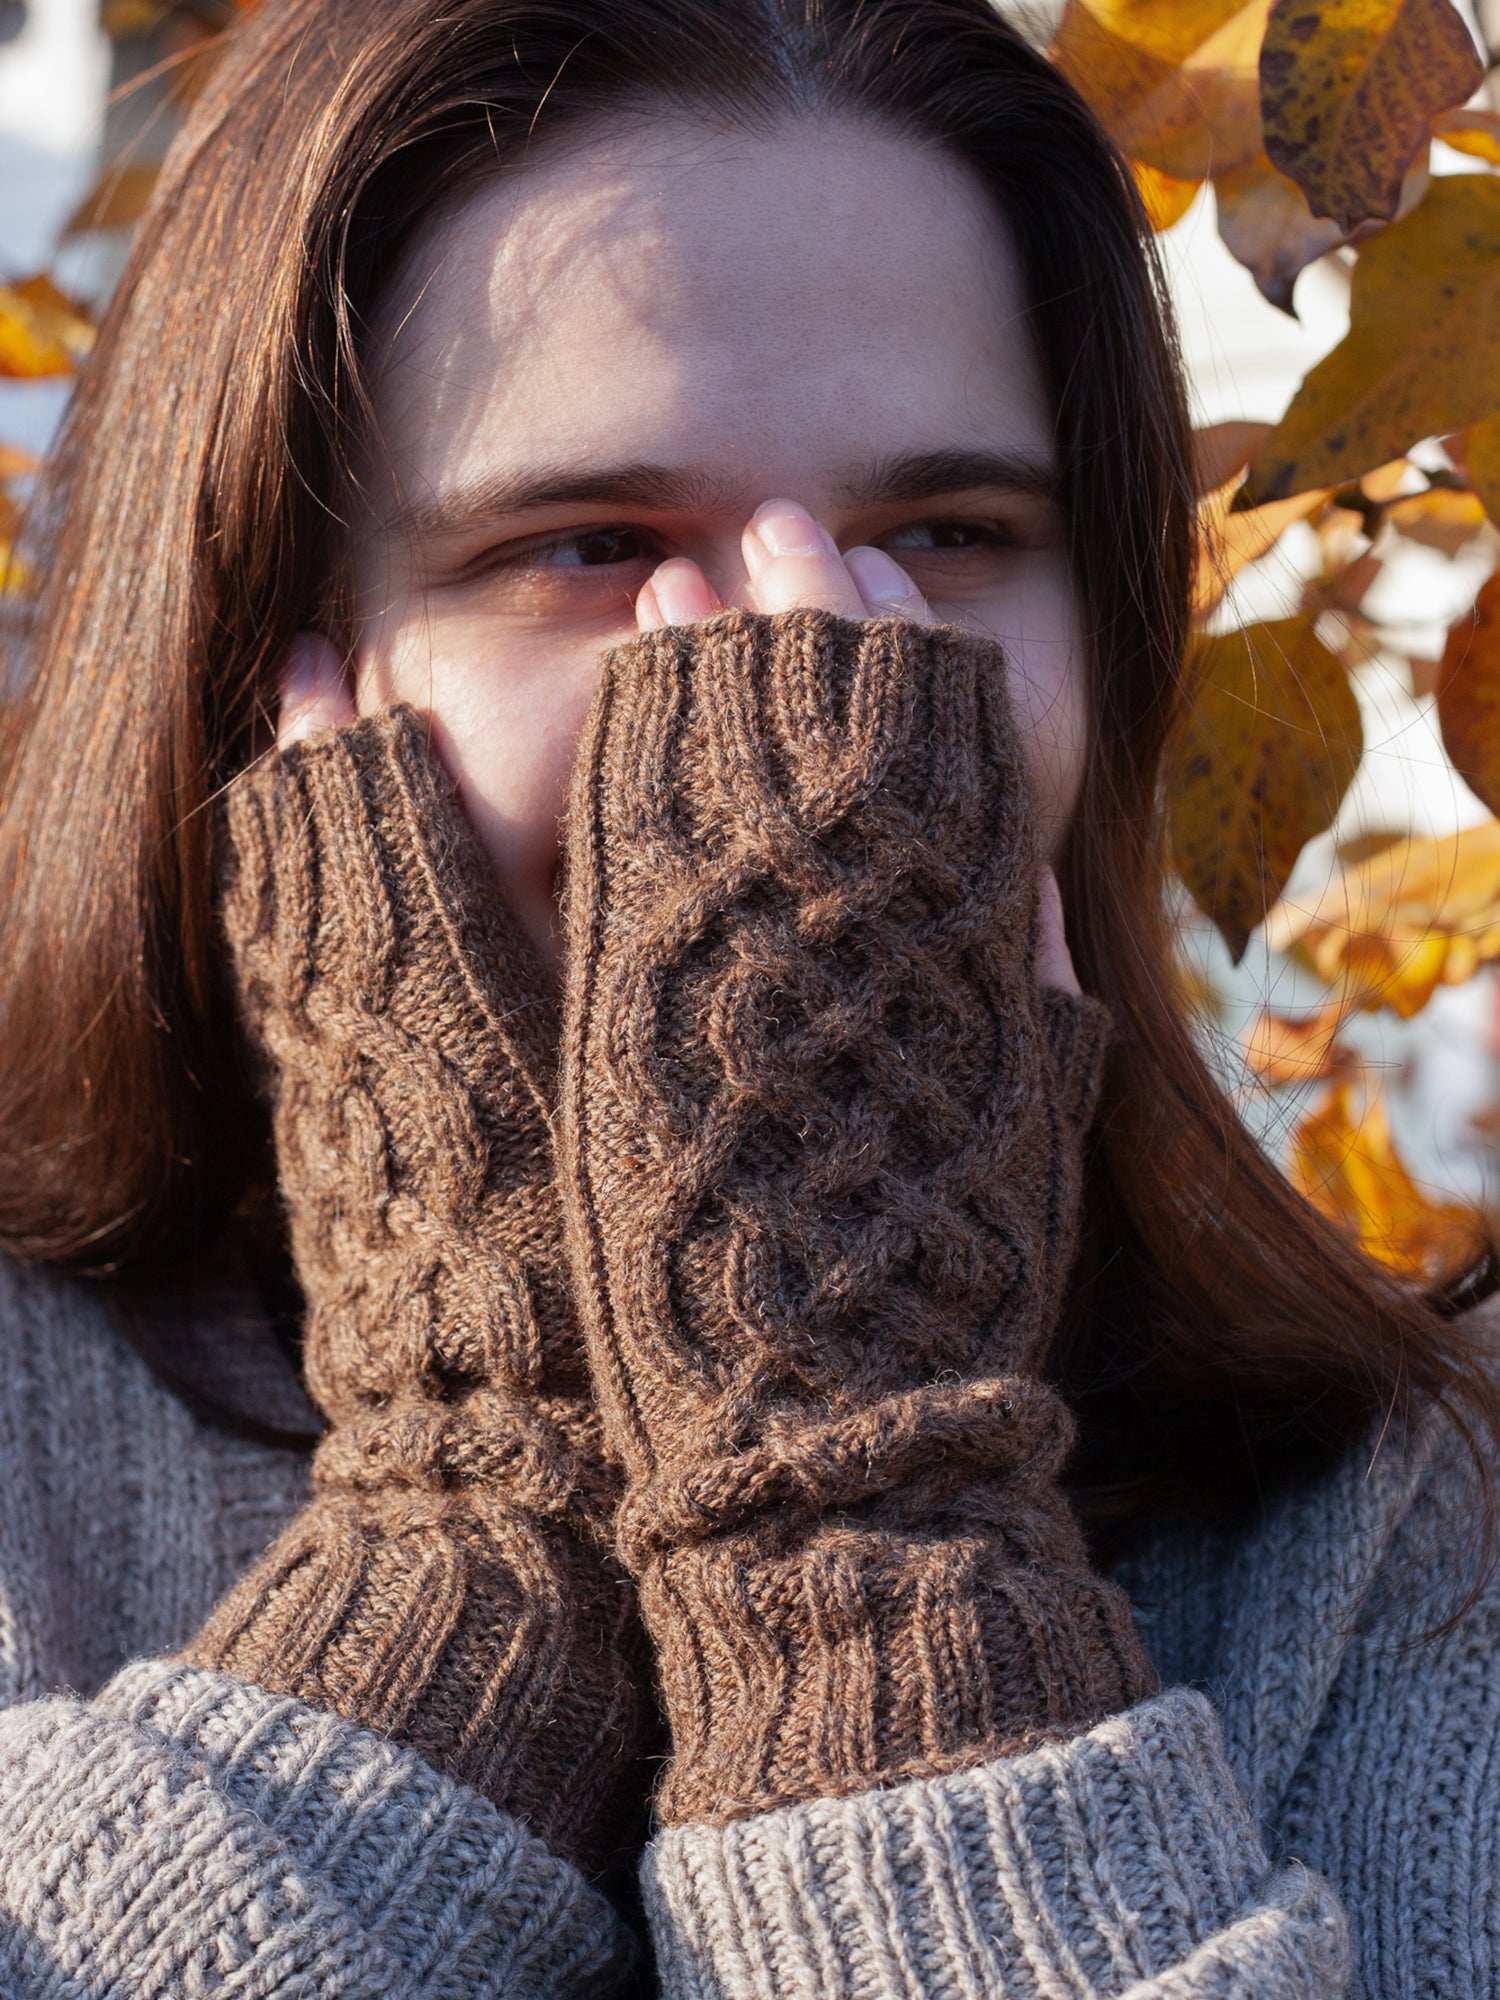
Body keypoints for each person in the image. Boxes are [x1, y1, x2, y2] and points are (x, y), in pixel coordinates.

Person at [0, 0, 1496, 1991]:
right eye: (590, 542)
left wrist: (875, 1538)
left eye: (947, 538)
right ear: (255, 662)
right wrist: (475, 1518)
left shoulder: (1419, 1521)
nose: (800, 665)